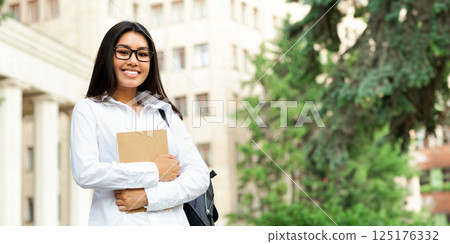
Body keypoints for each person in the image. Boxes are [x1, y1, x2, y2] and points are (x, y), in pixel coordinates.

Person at [70, 21, 210, 226]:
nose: (133, 61)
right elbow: (86, 172)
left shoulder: (164, 112)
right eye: (124, 52)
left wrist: (147, 198)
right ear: (108, 57)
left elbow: (199, 177)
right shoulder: (89, 110)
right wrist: (154, 170)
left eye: (142, 54)